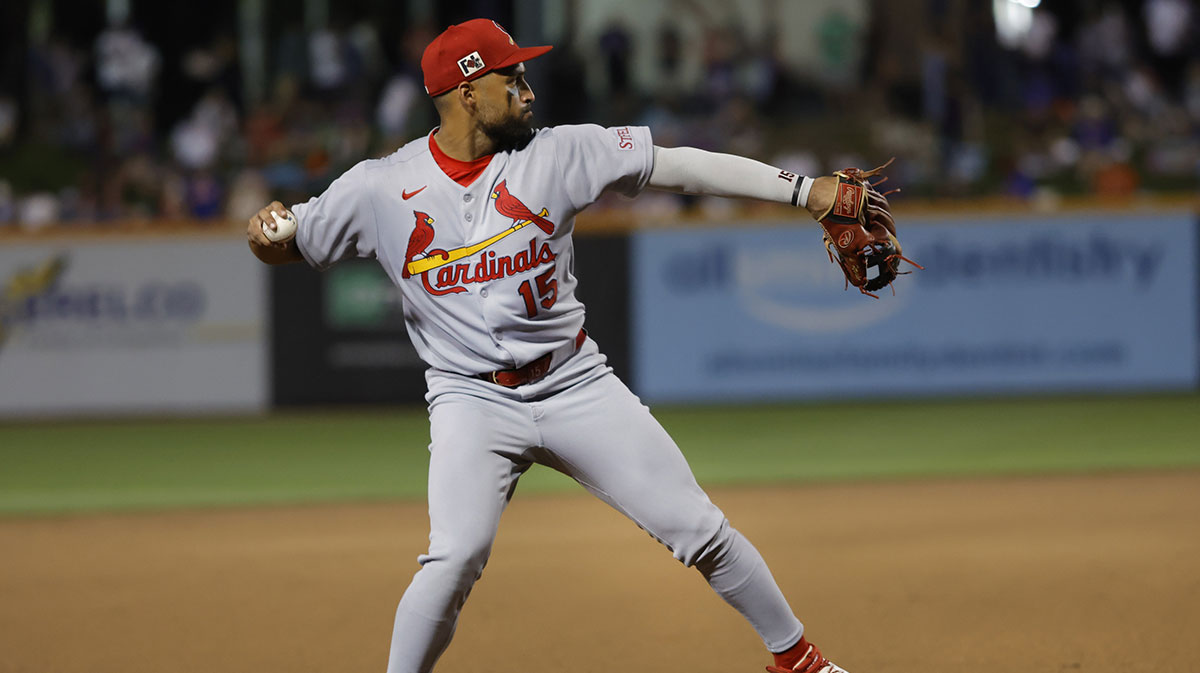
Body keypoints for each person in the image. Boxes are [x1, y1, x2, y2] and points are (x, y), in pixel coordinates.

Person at [247, 18, 874, 673]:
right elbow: (291, 240)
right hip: (470, 399)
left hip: (576, 383)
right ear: (466, 93)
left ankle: (801, 662)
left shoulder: (558, 152)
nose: (528, 90)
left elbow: (678, 164)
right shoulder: (380, 187)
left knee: (699, 528)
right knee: (454, 556)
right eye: (510, 77)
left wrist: (804, 191)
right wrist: (265, 235)